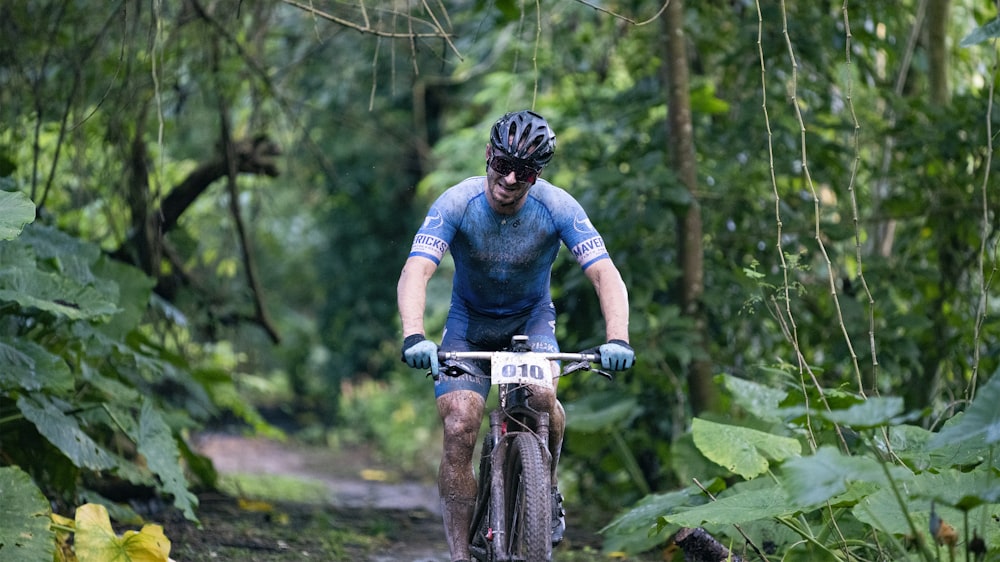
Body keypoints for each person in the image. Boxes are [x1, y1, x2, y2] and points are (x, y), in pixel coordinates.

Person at [397, 109, 634, 562]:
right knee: (461, 422)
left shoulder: (558, 207)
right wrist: (414, 335)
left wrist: (618, 337)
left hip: (531, 323)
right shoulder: (457, 202)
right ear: (488, 154)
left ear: (537, 175)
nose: (508, 178)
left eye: (523, 172)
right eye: (501, 164)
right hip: (469, 326)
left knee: (543, 401)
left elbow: (605, 274)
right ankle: (460, 555)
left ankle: (546, 489)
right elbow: (416, 270)